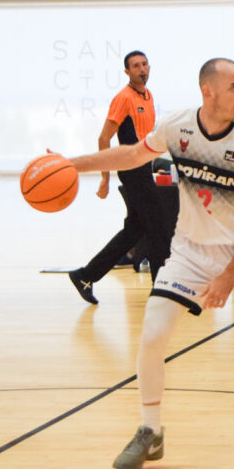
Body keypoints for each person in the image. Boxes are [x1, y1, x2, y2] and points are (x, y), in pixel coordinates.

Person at [62, 58, 234, 469]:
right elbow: (129, 155)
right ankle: (150, 429)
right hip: (190, 253)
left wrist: (227, 277)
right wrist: (72, 165)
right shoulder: (178, 128)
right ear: (209, 91)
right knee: (152, 334)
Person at [68, 51, 170, 304]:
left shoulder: (148, 96)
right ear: (127, 72)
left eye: (145, 64)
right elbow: (104, 139)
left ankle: (85, 275)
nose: (142, 69)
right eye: (135, 66)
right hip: (130, 169)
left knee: (135, 230)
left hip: (143, 167)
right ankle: (162, 290)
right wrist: (106, 177)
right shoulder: (123, 98)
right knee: (158, 225)